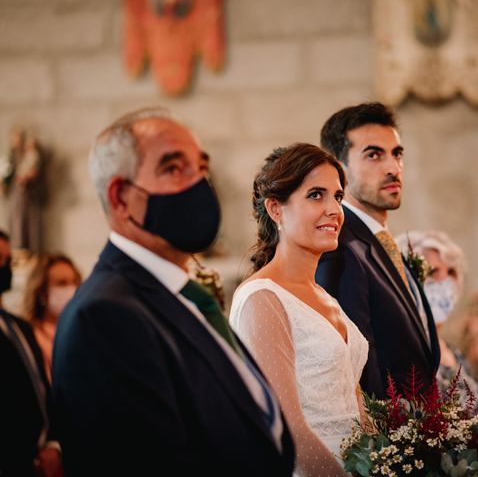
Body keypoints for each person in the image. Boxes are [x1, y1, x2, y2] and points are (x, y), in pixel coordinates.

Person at [51, 108, 295, 476]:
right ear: (120, 198)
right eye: (173, 168)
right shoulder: (105, 316)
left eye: (200, 166)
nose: (199, 184)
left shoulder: (185, 296)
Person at [230, 143, 368, 476]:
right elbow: (287, 426)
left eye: (337, 196)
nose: (334, 210)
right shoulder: (262, 298)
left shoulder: (326, 298)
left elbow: (357, 410)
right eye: (316, 195)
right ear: (276, 209)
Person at [316, 102, 440, 398]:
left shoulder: (381, 242)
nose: (392, 168)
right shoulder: (341, 248)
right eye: (373, 155)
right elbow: (356, 363)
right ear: (337, 167)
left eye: (397, 154)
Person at [396, 230, 478, 416]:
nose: (445, 281)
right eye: (433, 272)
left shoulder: (453, 351)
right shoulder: (407, 350)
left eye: (451, 272)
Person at [0, 231, 63, 477]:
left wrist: (53, 443)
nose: (4, 268)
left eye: (8, 260)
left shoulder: (20, 326)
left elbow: (41, 389)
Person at [24, 253, 81, 383]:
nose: (72, 289)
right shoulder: (32, 337)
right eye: (62, 283)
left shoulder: (80, 332)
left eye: (75, 282)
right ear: (41, 291)